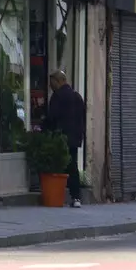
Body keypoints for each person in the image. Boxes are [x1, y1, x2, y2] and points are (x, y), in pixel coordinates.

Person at [44, 70, 87, 207]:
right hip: (75, 138)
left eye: (52, 83)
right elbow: (83, 119)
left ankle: (57, 196)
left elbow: (52, 117)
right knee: (73, 166)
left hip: (61, 138)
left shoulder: (58, 97)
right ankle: (76, 198)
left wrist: (44, 130)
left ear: (59, 81)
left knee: (58, 166)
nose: (51, 87)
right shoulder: (77, 97)